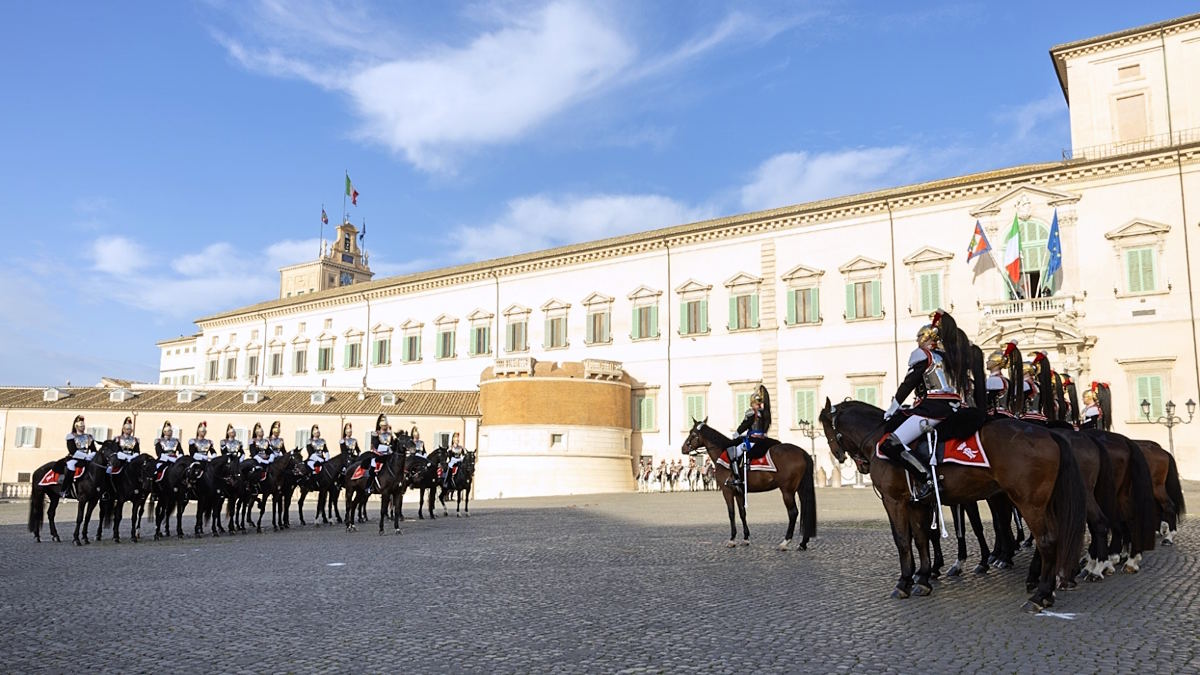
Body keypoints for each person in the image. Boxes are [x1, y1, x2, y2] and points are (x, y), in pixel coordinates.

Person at [880, 310, 968, 501]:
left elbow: (908, 384)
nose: (917, 340)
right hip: (955, 406)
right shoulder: (946, 355)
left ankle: (927, 479)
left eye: (919, 336)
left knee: (891, 443)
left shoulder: (922, 354)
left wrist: (892, 408)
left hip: (934, 409)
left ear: (924, 338)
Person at [725, 384, 772, 489]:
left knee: (734, 452)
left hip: (752, 440)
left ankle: (737, 478)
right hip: (763, 439)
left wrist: (736, 433)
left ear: (753, 403)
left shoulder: (752, 412)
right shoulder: (765, 413)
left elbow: (745, 425)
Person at [59, 415, 96, 498]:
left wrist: (91, 455)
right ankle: (65, 489)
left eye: (83, 426)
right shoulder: (71, 436)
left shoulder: (89, 437)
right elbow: (72, 450)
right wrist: (85, 456)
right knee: (71, 466)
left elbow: (94, 450)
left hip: (87, 458)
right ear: (76, 426)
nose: (82, 427)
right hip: (74, 458)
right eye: (80, 426)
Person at [985, 342, 1020, 417]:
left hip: (995, 414)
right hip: (1006, 412)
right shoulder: (1004, 379)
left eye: (989, 360)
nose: (987, 362)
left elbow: (987, 400)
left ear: (996, 363)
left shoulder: (994, 380)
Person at [365, 414, 395, 494]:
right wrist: (387, 448)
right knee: (373, 468)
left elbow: (392, 444)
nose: (385, 427)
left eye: (386, 425)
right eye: (383, 425)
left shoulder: (390, 435)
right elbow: (376, 445)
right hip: (378, 455)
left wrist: (392, 449)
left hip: (388, 455)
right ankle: (369, 486)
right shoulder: (376, 434)